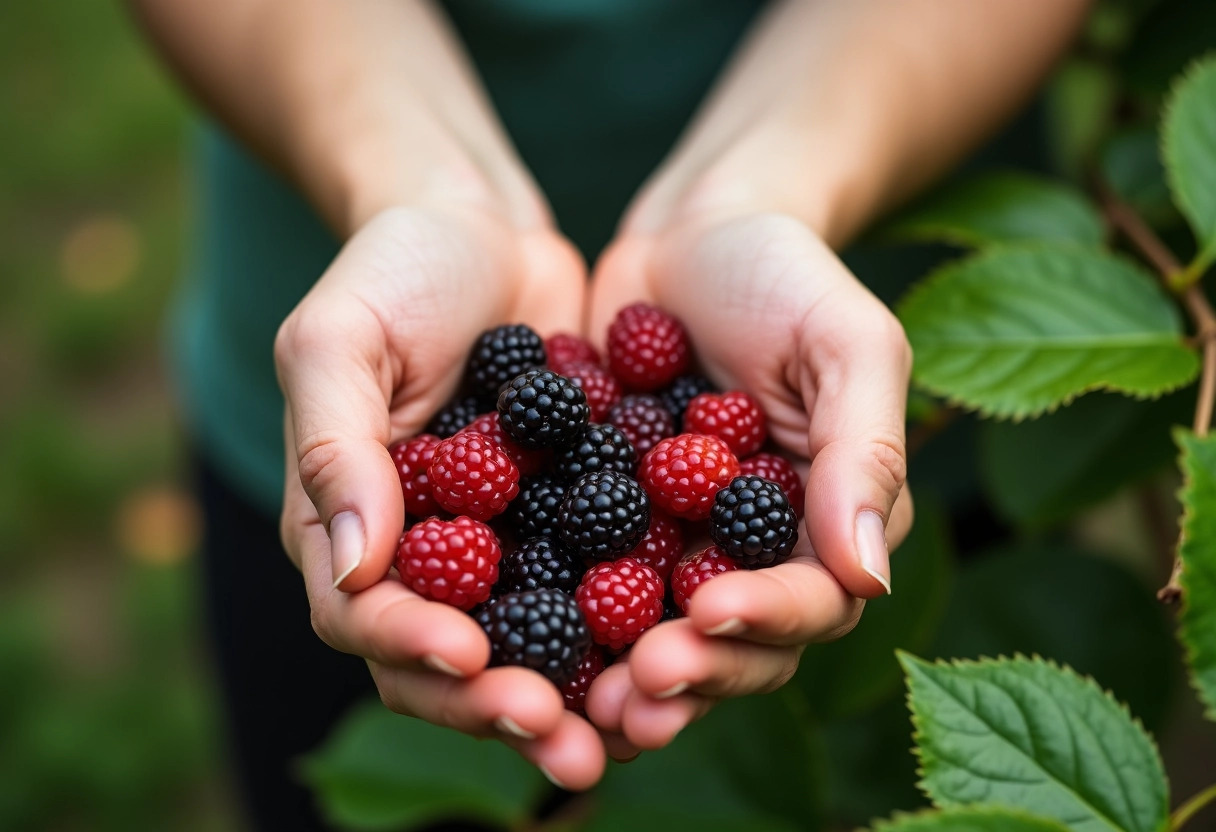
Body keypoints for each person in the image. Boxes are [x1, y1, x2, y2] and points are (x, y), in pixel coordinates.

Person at [130, 0, 1091, 828]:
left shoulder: (668, 465)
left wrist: (762, 194)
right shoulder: (492, 459)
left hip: (874, 365)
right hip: (336, 395)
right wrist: (418, 187)